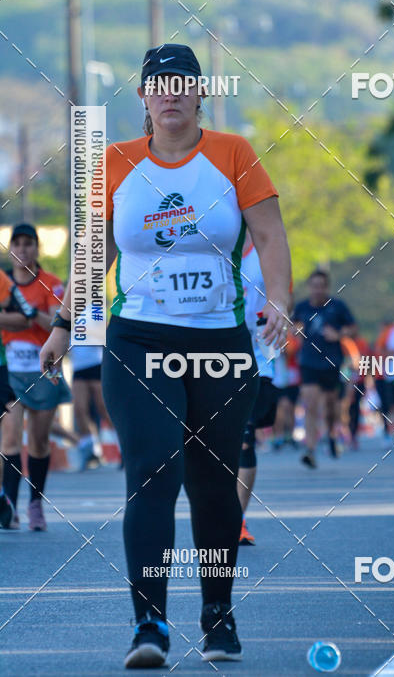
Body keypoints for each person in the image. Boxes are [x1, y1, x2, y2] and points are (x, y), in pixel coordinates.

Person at [40, 44, 291, 668]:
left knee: (212, 484)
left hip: (219, 341)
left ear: (200, 95)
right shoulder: (114, 163)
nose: (172, 94)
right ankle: (148, 625)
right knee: (153, 470)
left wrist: (280, 301)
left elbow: (269, 233)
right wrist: (65, 325)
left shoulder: (232, 153)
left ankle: (217, 616)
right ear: (145, 98)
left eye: (184, 85)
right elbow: (91, 256)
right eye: (160, 85)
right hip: (138, 338)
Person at [1, 224, 68, 531]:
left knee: (39, 443)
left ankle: (35, 503)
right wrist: (24, 318)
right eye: (18, 243)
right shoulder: (3, 283)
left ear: (37, 249)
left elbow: (57, 323)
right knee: (11, 436)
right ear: (11, 249)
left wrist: (29, 313)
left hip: (44, 369)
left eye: (29, 243)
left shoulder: (52, 284)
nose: (23, 249)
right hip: (10, 371)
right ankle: (10, 507)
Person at [237, 234, 280, 547]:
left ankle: (236, 520)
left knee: (244, 439)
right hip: (213, 358)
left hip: (258, 359)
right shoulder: (213, 244)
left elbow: (282, 298)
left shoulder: (266, 252)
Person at [293, 270, 357, 468]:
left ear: (327, 287)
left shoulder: (337, 307)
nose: (318, 290)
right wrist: (295, 330)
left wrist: (338, 334)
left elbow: (353, 328)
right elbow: (293, 326)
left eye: (321, 286)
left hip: (332, 362)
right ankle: (310, 450)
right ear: (310, 287)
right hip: (308, 362)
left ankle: (331, 436)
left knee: (331, 407)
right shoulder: (302, 307)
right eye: (314, 285)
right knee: (310, 405)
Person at [0, 267, 39, 528]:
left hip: (2, 369)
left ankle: (8, 506)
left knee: (11, 438)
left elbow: (26, 316)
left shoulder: (2, 280)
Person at [69, 344, 110, 471]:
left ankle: (123, 449)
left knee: (103, 408)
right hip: (78, 368)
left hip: (96, 364)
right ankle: (91, 452)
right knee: (79, 410)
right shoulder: (66, 324)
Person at [271, 330, 301, 450]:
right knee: (280, 407)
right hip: (278, 377)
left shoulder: (292, 338)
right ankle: (279, 436)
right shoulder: (272, 335)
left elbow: (291, 352)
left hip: (292, 377)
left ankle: (289, 435)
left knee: (291, 407)